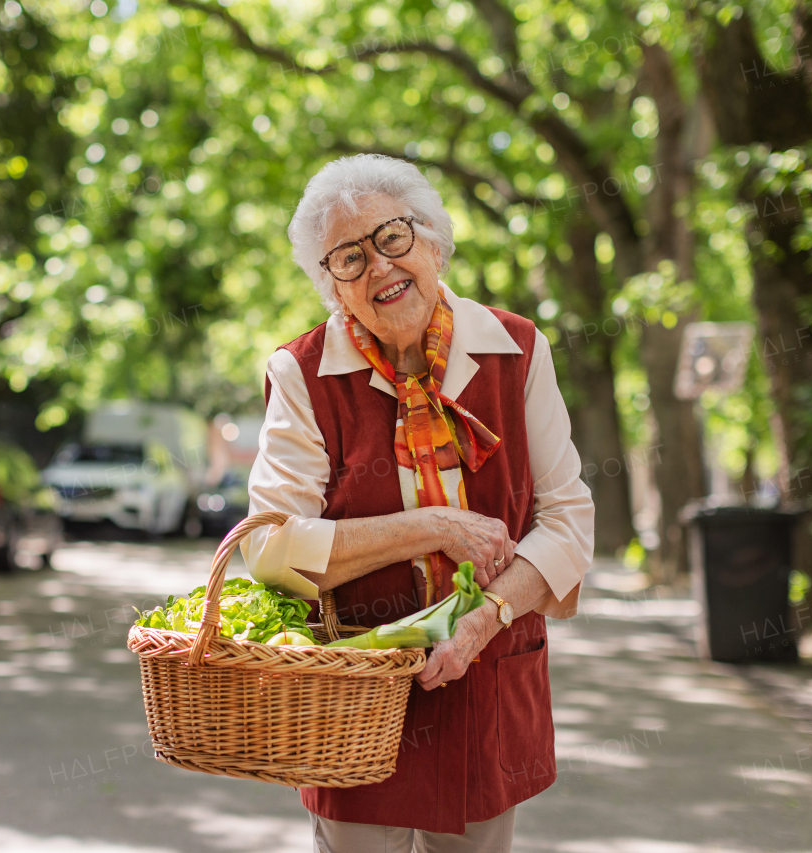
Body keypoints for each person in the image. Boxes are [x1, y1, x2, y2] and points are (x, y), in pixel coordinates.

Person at [241, 154, 595, 853]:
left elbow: (566, 518)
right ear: (331, 285)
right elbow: (270, 549)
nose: (378, 266)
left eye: (393, 237)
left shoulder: (517, 350)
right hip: (354, 688)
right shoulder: (301, 373)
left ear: (433, 239)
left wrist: (485, 619)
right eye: (347, 257)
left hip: (483, 672)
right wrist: (429, 527)